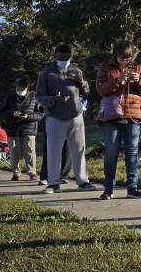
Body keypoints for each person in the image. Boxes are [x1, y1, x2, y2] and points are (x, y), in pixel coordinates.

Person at [35, 44, 97, 194]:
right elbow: (39, 97)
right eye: (61, 58)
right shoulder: (46, 73)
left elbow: (88, 92)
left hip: (76, 116)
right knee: (53, 151)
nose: (64, 60)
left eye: (67, 58)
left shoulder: (76, 70)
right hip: (55, 117)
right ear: (55, 55)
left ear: (71, 57)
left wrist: (82, 83)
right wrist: (54, 99)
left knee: (79, 150)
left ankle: (83, 181)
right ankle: (53, 183)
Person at [96, 40, 141, 200]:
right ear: (115, 55)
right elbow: (101, 89)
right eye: (121, 58)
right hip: (112, 115)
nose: (125, 61)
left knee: (132, 152)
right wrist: (117, 81)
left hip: (134, 113)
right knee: (111, 152)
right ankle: (108, 188)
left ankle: (132, 188)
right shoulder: (106, 66)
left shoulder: (139, 67)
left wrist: (138, 80)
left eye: (128, 58)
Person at [0, 77, 44, 181]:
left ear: (27, 87)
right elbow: (2, 112)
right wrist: (13, 114)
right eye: (18, 88)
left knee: (30, 152)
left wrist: (28, 116)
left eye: (22, 88)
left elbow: (40, 114)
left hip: (29, 129)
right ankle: (15, 173)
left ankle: (32, 173)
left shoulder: (35, 97)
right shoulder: (10, 97)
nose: (20, 90)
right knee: (14, 153)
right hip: (13, 130)